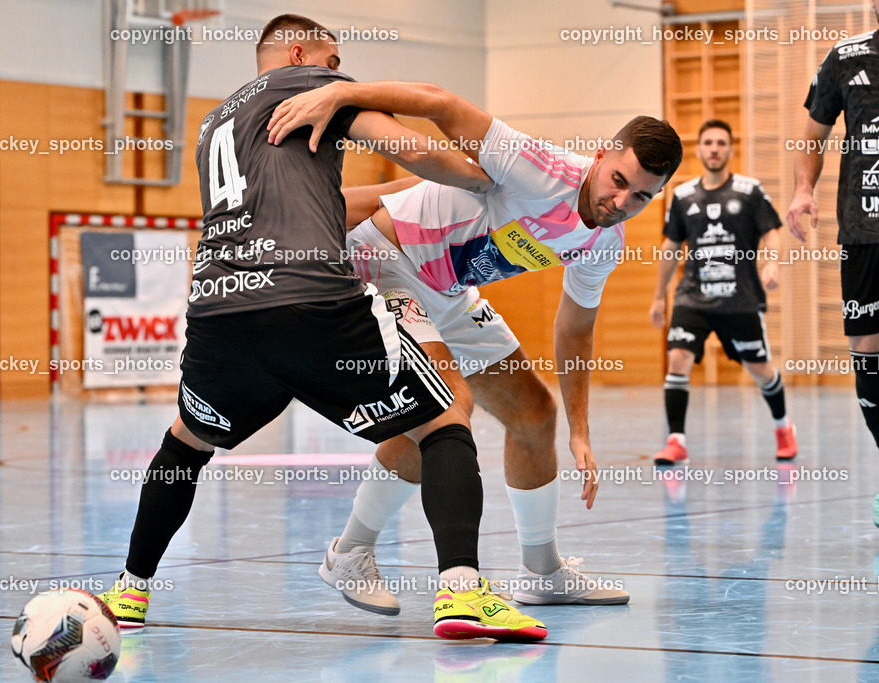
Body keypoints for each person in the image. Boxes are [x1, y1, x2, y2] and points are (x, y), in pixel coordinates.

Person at [97, 14, 547, 643]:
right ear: (302, 51)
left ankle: (129, 592)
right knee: (444, 421)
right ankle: (463, 594)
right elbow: (410, 145)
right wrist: (489, 181)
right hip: (310, 302)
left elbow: (324, 205)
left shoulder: (213, 123)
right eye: (333, 60)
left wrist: (409, 189)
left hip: (219, 312)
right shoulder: (310, 86)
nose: (338, 74)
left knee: (185, 444)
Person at [267, 79, 683, 611]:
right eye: (618, 181)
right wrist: (342, 97)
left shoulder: (604, 241)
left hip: (449, 286)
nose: (621, 202)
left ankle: (541, 571)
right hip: (387, 256)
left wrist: (581, 431)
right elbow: (442, 105)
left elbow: (575, 328)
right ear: (600, 156)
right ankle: (348, 553)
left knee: (535, 415)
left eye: (641, 197)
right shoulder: (540, 168)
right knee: (444, 408)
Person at [649, 119, 796, 465]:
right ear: (699, 149)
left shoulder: (749, 191)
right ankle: (676, 441)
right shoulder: (683, 195)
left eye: (721, 143)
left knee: (761, 370)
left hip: (739, 299)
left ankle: (783, 427)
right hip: (692, 297)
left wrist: (772, 263)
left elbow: (772, 231)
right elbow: (670, 247)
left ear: (730, 149)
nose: (714, 148)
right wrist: (659, 296)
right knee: (678, 359)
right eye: (708, 143)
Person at [787, 8, 879, 524]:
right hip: (865, 233)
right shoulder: (845, 59)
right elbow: (812, 137)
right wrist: (803, 190)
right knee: (867, 351)